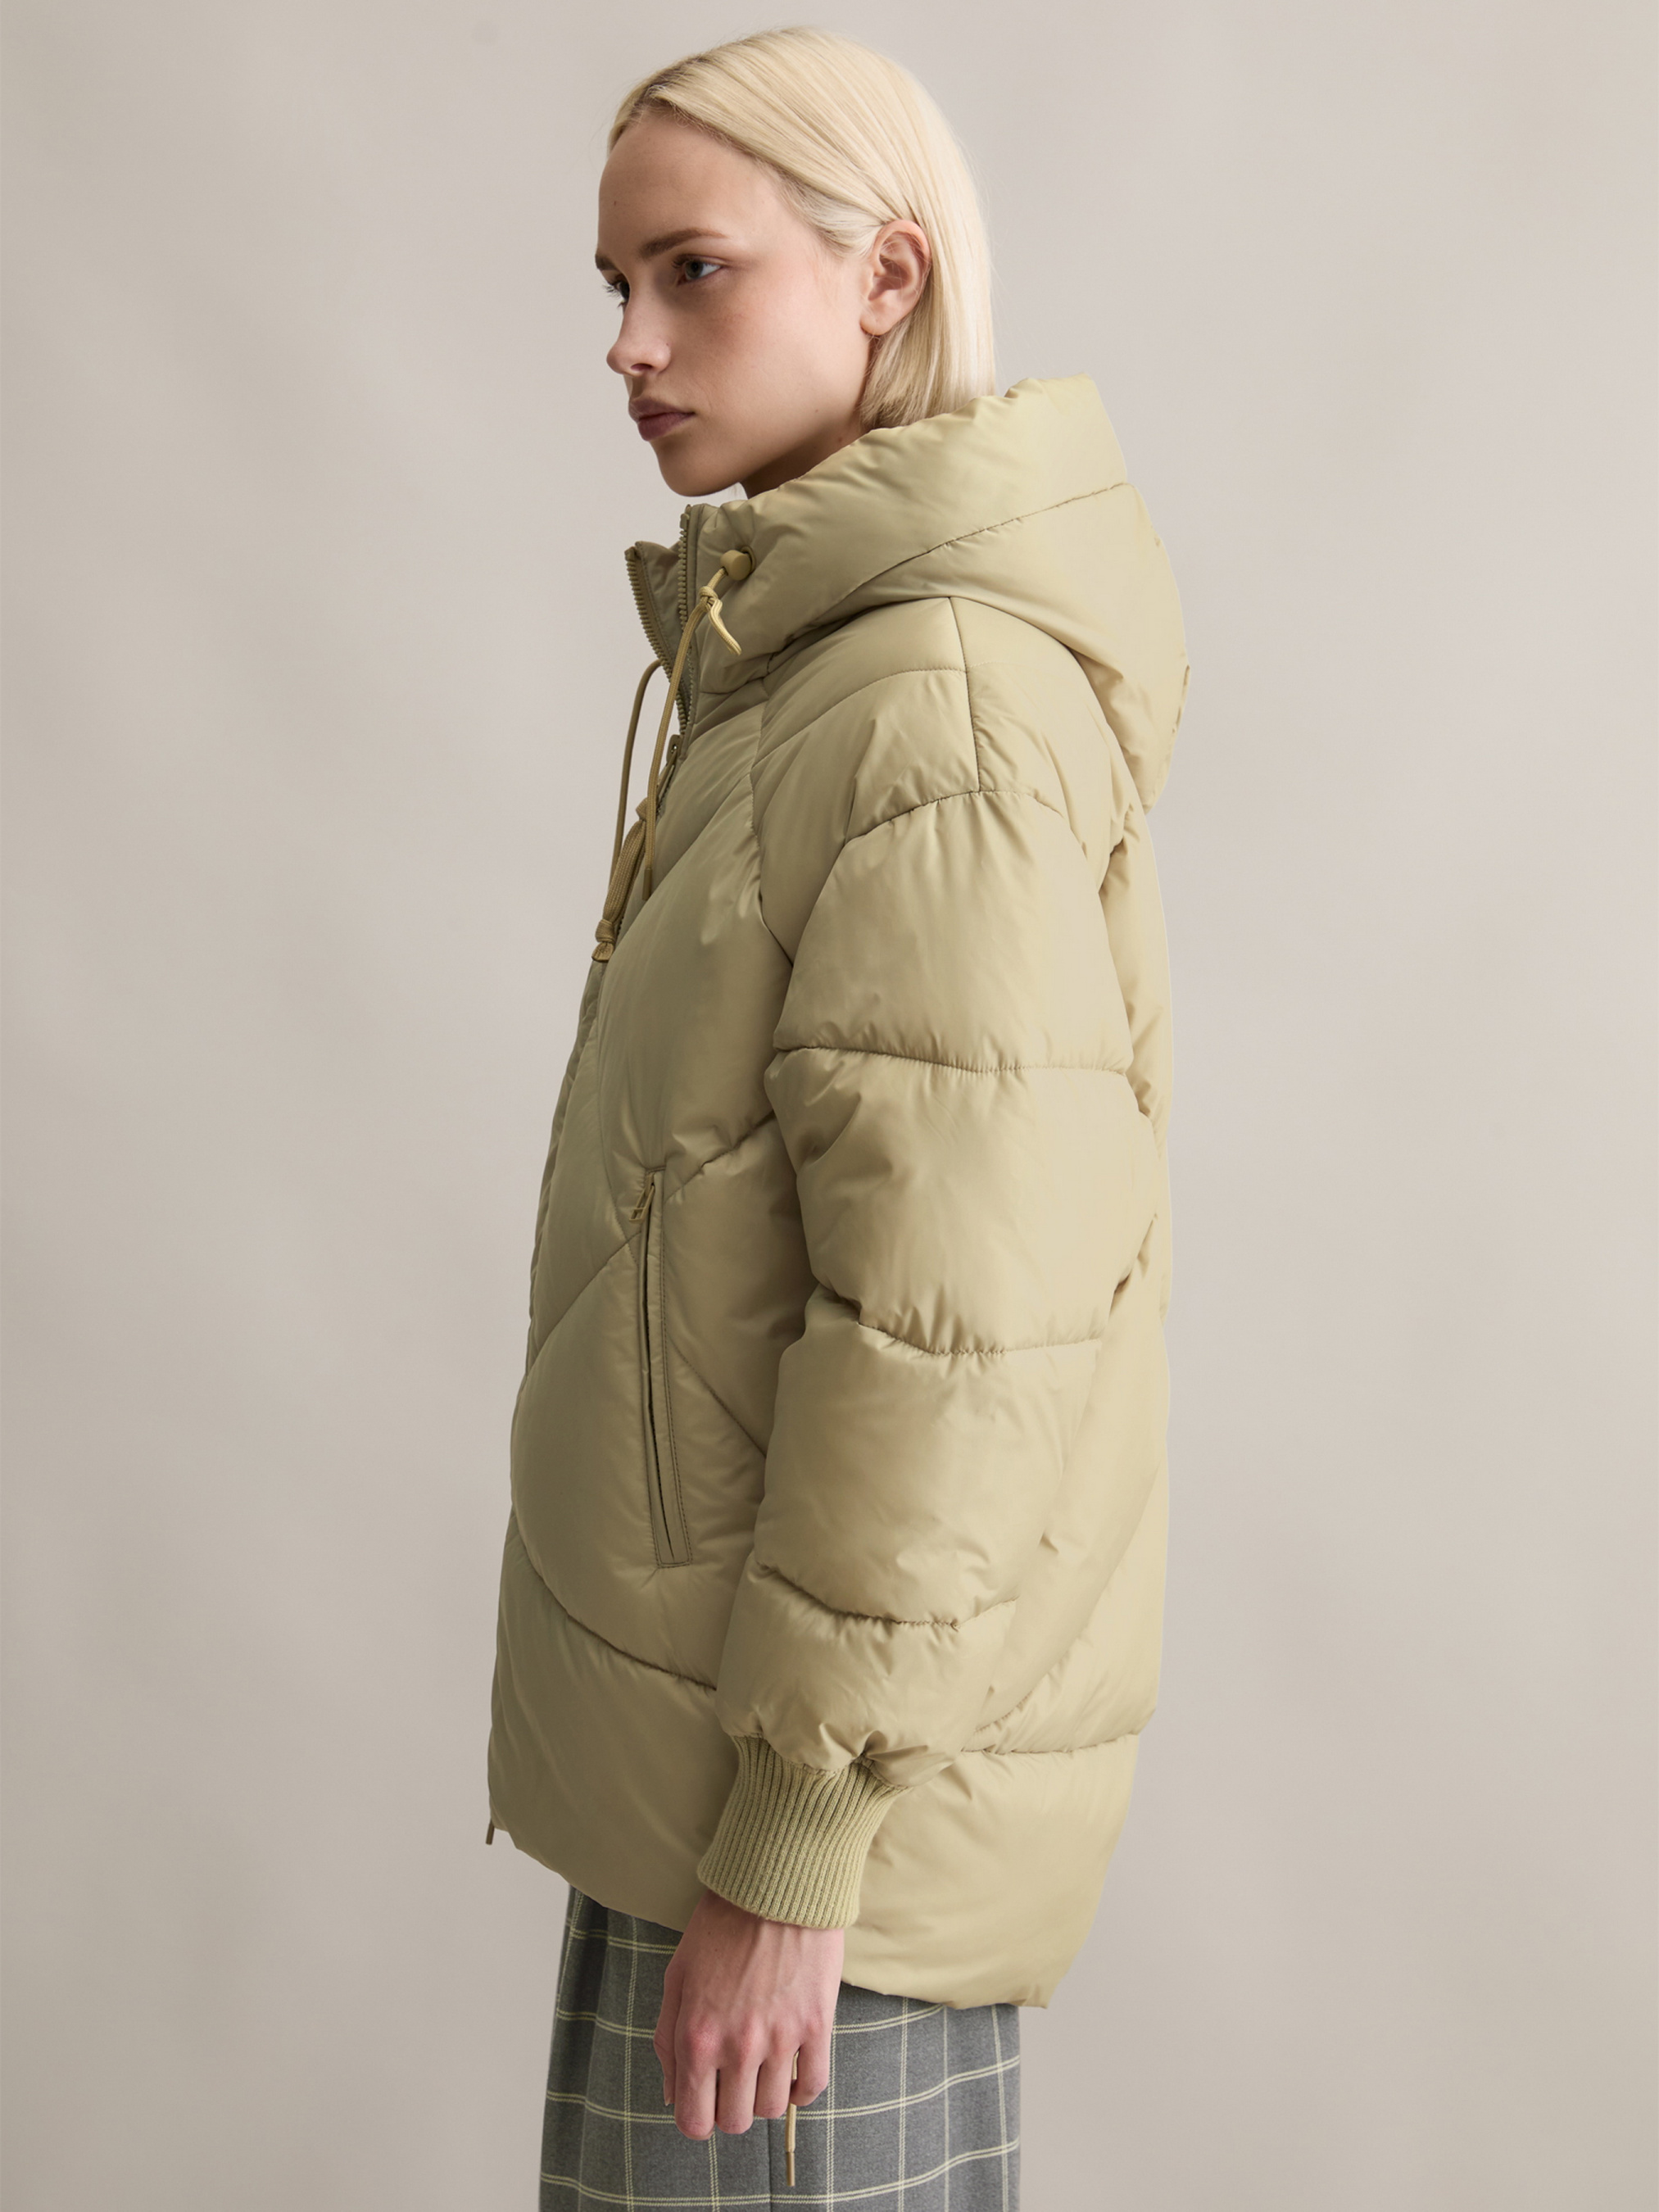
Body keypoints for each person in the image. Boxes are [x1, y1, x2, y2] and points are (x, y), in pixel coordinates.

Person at [483, 28, 1189, 2209]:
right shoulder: (810, 671)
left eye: (690, 272)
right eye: (615, 284)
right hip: (718, 1793)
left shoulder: (936, 710)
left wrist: (797, 1835)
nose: (629, 343)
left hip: (812, 1855)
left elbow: (956, 1335)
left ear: (885, 275)